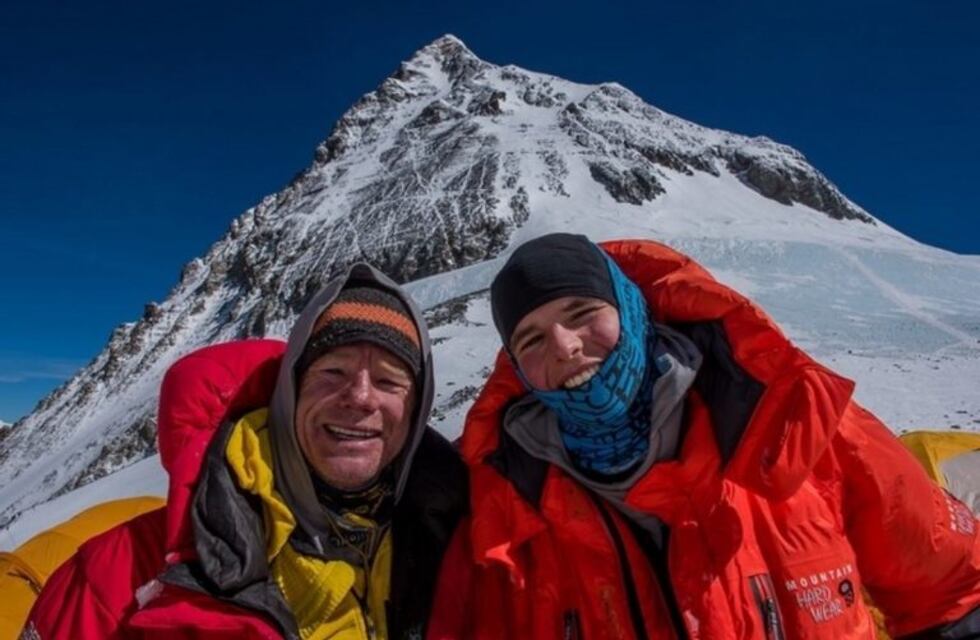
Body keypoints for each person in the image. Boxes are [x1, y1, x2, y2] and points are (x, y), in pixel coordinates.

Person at [428, 234, 980, 639]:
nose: (565, 347)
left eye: (583, 312)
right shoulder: (504, 515)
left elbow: (954, 591)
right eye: (531, 339)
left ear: (631, 310)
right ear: (518, 370)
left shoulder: (794, 425)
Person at [24, 263, 467, 640]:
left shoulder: (459, 549)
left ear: (415, 410)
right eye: (333, 372)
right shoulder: (112, 576)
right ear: (290, 392)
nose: (361, 397)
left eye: (389, 381)